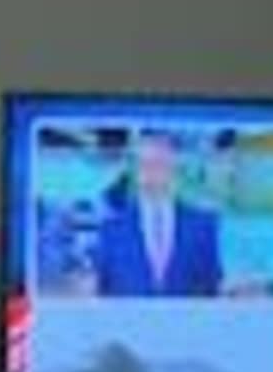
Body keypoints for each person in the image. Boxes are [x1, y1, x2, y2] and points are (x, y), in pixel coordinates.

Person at [90, 127, 224, 299]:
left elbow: (212, 289)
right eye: (145, 165)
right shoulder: (111, 229)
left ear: (175, 168)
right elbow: (102, 291)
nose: (151, 174)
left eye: (159, 164)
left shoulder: (203, 226)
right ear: (134, 170)